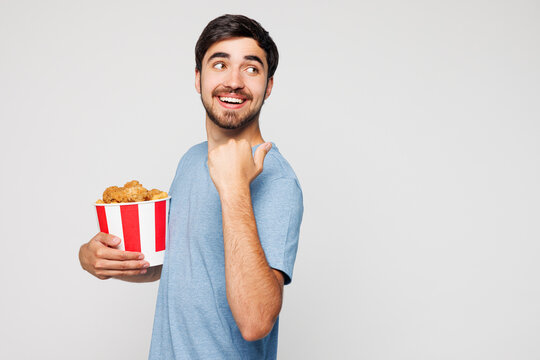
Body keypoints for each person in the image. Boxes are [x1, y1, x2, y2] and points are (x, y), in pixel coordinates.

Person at [79, 14, 303, 359]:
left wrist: (234, 188)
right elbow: (178, 265)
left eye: (251, 68)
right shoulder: (190, 160)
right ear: (198, 79)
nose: (234, 81)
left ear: (268, 85)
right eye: (220, 64)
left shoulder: (277, 179)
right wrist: (104, 260)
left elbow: (256, 321)